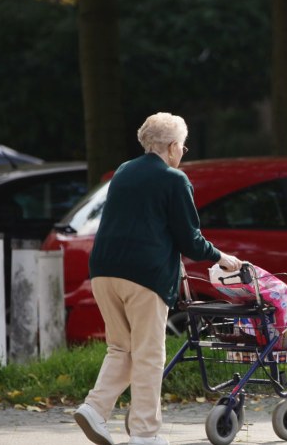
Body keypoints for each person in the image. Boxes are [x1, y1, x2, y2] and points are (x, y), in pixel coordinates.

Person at [73, 112, 242, 445]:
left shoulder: (123, 171)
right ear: (174, 146)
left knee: (122, 349)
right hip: (144, 277)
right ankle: (145, 435)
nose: (184, 151)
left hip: (104, 272)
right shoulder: (174, 179)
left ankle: (94, 409)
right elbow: (189, 239)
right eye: (184, 145)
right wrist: (222, 257)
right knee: (150, 355)